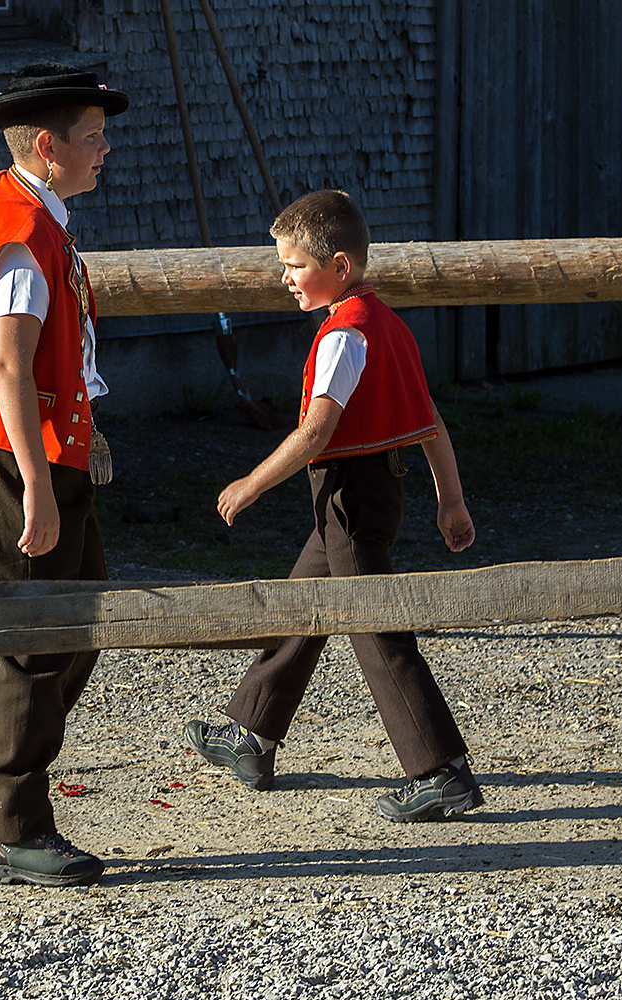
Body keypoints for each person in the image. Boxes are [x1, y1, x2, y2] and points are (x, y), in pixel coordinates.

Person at [184, 189, 483, 822]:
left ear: (339, 267)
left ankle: (441, 771)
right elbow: (431, 426)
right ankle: (253, 736)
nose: (284, 278)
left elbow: (316, 434)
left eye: (294, 266)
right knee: (306, 601)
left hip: (350, 494)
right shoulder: (387, 323)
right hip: (366, 491)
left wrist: (251, 484)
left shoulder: (345, 338)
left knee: (374, 626)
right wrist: (450, 501)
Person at [0, 63, 127, 886]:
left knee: (77, 618)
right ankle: (12, 827)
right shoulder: (18, 227)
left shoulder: (40, 215)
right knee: (37, 638)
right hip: (7, 454)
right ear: (46, 148)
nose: (105, 152)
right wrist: (37, 484)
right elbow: (9, 367)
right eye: (91, 139)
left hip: (42, 449)